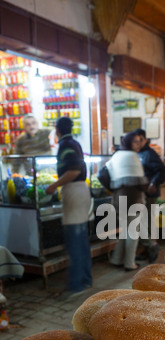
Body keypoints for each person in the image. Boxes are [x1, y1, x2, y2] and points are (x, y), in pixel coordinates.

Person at [46, 117, 92, 295]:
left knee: (75, 241)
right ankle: (86, 280)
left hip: (74, 193)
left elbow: (73, 171)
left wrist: (53, 186)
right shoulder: (75, 143)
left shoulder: (66, 145)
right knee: (81, 241)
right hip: (81, 192)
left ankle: (77, 285)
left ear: (57, 129)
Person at [98, 132, 148, 271]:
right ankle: (129, 263)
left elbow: (101, 174)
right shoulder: (132, 156)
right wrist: (147, 187)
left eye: (139, 141)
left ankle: (116, 259)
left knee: (126, 229)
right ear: (129, 143)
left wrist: (112, 187)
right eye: (136, 142)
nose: (138, 144)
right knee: (133, 231)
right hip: (133, 197)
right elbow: (141, 182)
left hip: (118, 197)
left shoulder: (117, 155)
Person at [134, 128, 165, 263]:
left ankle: (152, 248)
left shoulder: (149, 154)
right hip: (141, 193)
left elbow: (162, 171)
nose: (136, 143)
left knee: (147, 222)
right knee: (143, 221)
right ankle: (145, 250)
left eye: (139, 140)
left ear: (144, 140)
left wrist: (153, 183)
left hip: (149, 194)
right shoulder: (139, 153)